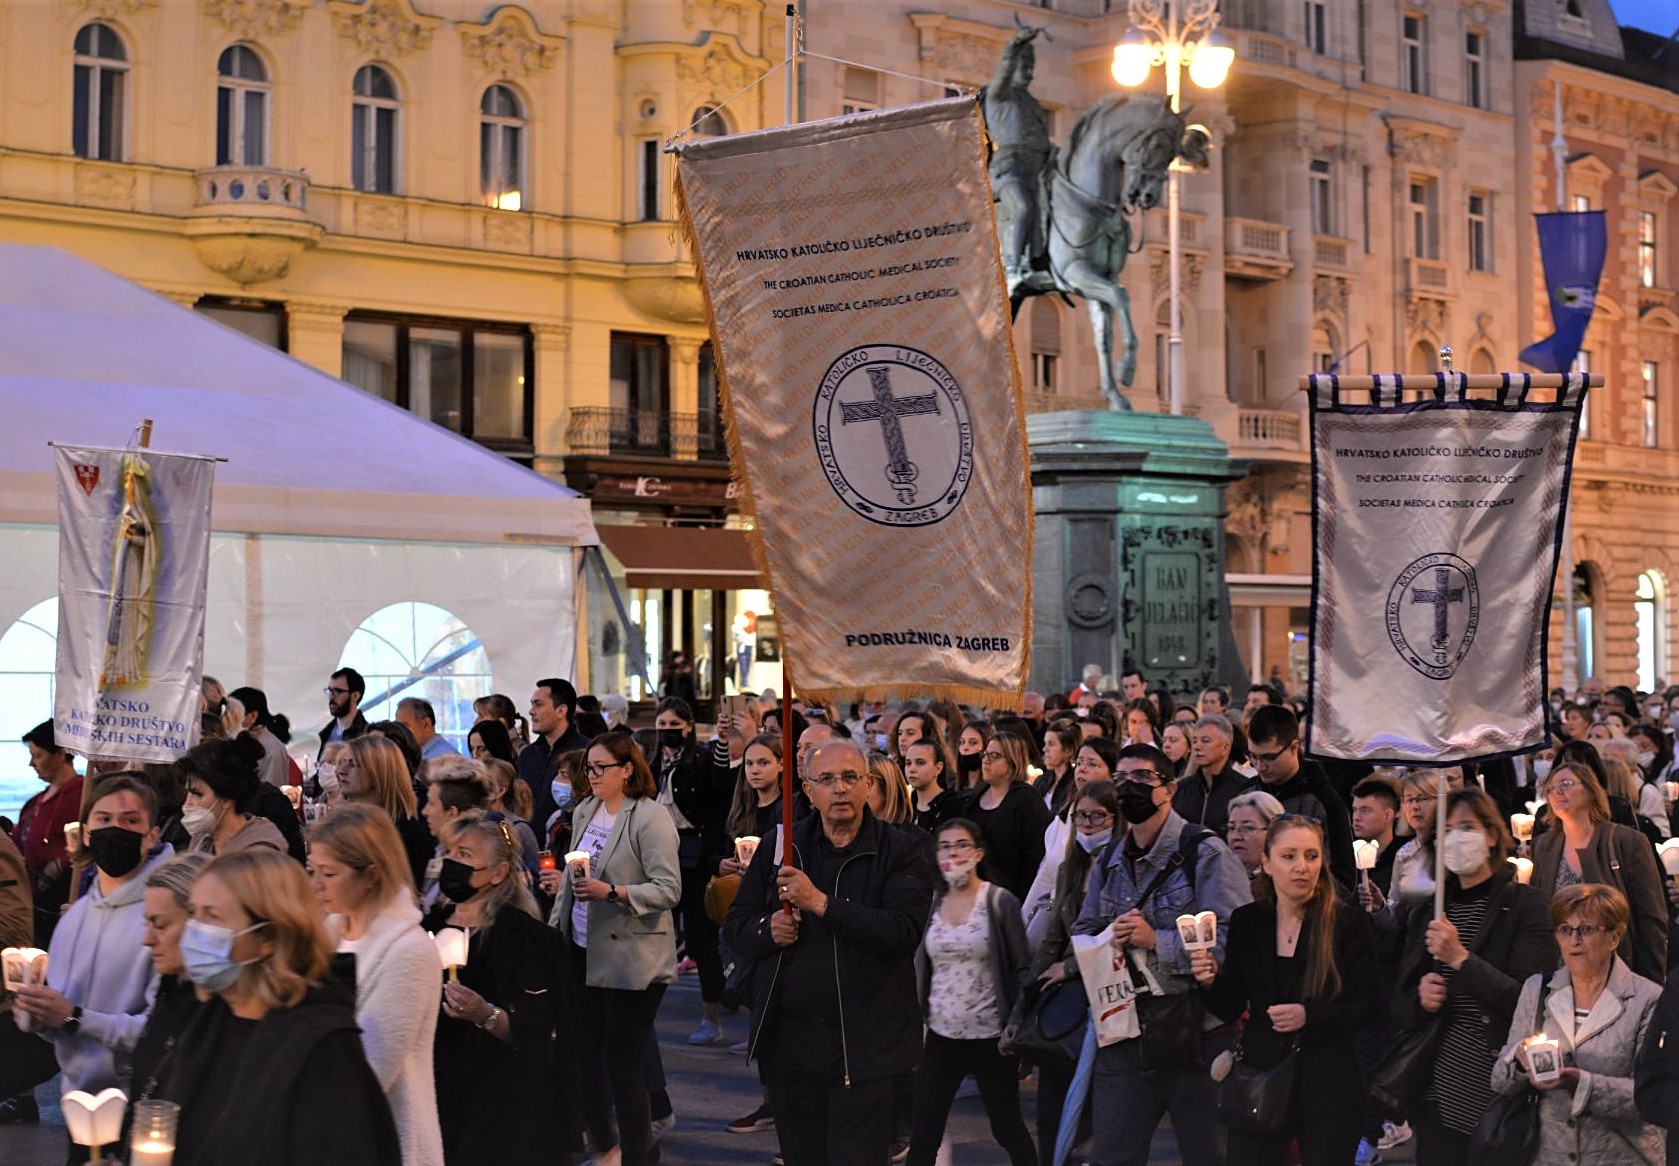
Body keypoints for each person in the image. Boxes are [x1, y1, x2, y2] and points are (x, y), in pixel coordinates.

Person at [724, 737, 936, 1165]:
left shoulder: (902, 850)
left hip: (867, 1046)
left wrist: (821, 903)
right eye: (827, 779)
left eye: (849, 778)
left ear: (868, 784)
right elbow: (738, 925)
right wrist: (771, 930)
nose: (839, 788)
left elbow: (902, 932)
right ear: (808, 789)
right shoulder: (781, 847)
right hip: (791, 1046)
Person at [159, 848, 400, 1166]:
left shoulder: (323, 1049)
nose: (194, 930)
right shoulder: (211, 1020)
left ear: (268, 937)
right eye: (194, 913)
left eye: (212, 916)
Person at [1073, 743, 1252, 1166]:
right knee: (1112, 1155)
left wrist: (1158, 940)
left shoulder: (1206, 854)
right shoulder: (1109, 860)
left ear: (1169, 789)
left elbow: (1232, 940)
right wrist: (1106, 937)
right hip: (1125, 1032)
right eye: (1120, 780)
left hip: (1195, 1033)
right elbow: (1083, 930)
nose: (1128, 787)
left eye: (1141, 778)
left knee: (1208, 1155)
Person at [1191, 815, 1379, 1166]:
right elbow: (1230, 1005)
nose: (1301, 868)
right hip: (1260, 1080)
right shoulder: (1249, 921)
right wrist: (1208, 981)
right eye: (1289, 856)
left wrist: (1310, 1015)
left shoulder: (1347, 923)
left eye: (1311, 856)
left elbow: (1370, 1006)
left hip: (1329, 1086)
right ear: (1266, 861)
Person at [1391, 788, 1558, 1166]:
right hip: (1435, 1085)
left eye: (1466, 827)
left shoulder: (1524, 906)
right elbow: (1397, 1006)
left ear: (1493, 834)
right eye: (1446, 830)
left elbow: (1530, 1000)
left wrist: (1460, 959)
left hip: (1495, 1083)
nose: (1455, 838)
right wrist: (1419, 997)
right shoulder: (1428, 912)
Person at [12, 774, 173, 1152]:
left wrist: (73, 1017)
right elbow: (65, 1016)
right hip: (81, 1108)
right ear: (85, 832)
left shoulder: (165, 914)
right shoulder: (75, 917)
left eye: (131, 821)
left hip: (144, 1108)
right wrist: (40, 1017)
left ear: (152, 835)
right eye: (103, 819)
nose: (115, 829)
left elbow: (164, 1030)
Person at [545, 731, 681, 1166]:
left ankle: (635, 1156)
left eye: (601, 767)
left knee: (624, 1069)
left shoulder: (649, 817)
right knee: (583, 1059)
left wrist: (614, 891)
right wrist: (555, 931)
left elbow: (668, 888)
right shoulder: (586, 810)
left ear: (627, 769)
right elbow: (571, 882)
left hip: (632, 959)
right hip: (583, 950)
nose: (592, 775)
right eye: (589, 767)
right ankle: (611, 1146)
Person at [431, 811, 570, 1164]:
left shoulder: (522, 938)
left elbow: (535, 1031)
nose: (452, 862)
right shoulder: (427, 927)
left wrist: (485, 1014)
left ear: (498, 872)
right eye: (450, 852)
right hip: (435, 1094)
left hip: (495, 1099)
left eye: (465, 855)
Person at [309, 805, 444, 1166]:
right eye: (313, 871)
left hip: (385, 1140)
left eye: (329, 873)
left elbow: (368, 1070)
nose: (316, 885)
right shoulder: (329, 934)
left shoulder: (408, 951)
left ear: (370, 875)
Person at [1495, 883, 1664, 1166]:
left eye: (1585, 929)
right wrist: (1521, 1062)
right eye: (1564, 929)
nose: (1573, 940)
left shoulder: (1647, 999)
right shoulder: (1538, 990)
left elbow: (1652, 1094)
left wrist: (1581, 1084)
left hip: (1622, 1157)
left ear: (1614, 936)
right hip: (1549, 1156)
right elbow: (1499, 1080)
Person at [1003, 779, 1120, 1163]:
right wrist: (1020, 1013)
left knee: (1091, 1120)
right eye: (1079, 816)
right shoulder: (1072, 866)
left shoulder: (1122, 869)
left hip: (1107, 1004)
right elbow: (1050, 942)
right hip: (1064, 1008)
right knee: (1051, 1114)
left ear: (1115, 820)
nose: (1086, 825)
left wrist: (1069, 966)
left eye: (1096, 817)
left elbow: (1116, 936)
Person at [908, 818, 1037, 1166]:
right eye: (945, 846)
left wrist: (1016, 1021)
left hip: (989, 1039)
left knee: (1006, 1127)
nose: (953, 853)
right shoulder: (931, 905)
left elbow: (1023, 968)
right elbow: (923, 967)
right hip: (940, 1038)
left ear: (978, 853)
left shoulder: (998, 903)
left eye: (962, 845)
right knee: (923, 1133)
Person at [1532, 760, 1668, 981]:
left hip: (1615, 973)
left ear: (1590, 791)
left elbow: (1651, 918)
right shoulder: (1543, 846)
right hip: (1559, 975)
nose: (1557, 791)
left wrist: (1650, 983)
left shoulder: (1627, 841)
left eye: (1565, 784)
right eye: (1550, 788)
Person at [127, 854, 210, 1132]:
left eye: (160, 925)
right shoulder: (171, 990)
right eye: (147, 924)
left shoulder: (222, 1013)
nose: (146, 940)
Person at [1242, 706, 1357, 890]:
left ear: (1294, 747)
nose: (1260, 766)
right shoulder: (1246, 795)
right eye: (1253, 757)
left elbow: (1342, 880)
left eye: (1269, 757)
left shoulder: (1326, 802)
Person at [1022, 737, 1120, 946]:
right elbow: (1045, 876)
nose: (1082, 769)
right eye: (1080, 762)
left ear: (1112, 774)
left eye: (1092, 764)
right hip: (1058, 920)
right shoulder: (1062, 820)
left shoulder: (1118, 823)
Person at [13, 721, 84, 945]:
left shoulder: (83, 794)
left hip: (63, 905)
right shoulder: (35, 802)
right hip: (32, 904)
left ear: (61, 753)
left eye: (38, 755)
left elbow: (89, 837)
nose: (32, 763)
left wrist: (60, 863)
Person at [964, 731, 1052, 900]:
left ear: (1012, 761)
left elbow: (1034, 857)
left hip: (1010, 895)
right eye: (986, 754)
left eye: (995, 756)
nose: (986, 760)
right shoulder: (973, 799)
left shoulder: (1027, 800)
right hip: (973, 897)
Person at [343, 733, 432, 892]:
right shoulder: (353, 822)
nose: (341, 771)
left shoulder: (407, 832)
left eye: (353, 764)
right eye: (344, 763)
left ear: (378, 771)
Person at [178, 737, 287, 856]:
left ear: (225, 799)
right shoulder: (200, 841)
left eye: (197, 794)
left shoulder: (260, 854)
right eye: (188, 793)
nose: (187, 803)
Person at [519, 678, 592, 847]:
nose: (531, 711)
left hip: (569, 846)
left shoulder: (586, 752)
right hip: (529, 846)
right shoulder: (527, 755)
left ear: (561, 710)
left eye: (538, 704)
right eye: (532, 704)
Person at [1173, 714, 1248, 832]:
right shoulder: (1181, 789)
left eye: (1205, 741)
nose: (1197, 746)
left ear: (1225, 747)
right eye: (1194, 741)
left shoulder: (1244, 790)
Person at [1223, 788, 1286, 897]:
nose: (1235, 837)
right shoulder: (1219, 880)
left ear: (1273, 833)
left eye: (1247, 828)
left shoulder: (1287, 885)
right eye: (1231, 828)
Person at [1350, 775, 1404, 897]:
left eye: (1365, 811)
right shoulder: (1347, 858)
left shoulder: (1403, 858)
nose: (1356, 817)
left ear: (1388, 815)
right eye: (1355, 810)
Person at [229, 686, 292, 787]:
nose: (227, 718)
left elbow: (272, 794)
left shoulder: (274, 749)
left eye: (234, 713)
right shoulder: (230, 739)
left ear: (252, 716)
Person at [905, 736, 963, 835]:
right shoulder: (905, 806)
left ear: (938, 768)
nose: (912, 769)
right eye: (908, 763)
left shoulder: (952, 805)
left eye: (920, 763)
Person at [319, 667, 370, 758]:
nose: (331, 697)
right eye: (330, 691)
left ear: (355, 696)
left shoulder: (366, 736)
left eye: (337, 691)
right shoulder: (325, 734)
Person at [1034, 721, 1080, 816]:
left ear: (1068, 750)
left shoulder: (1075, 784)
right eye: (1045, 743)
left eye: (1051, 744)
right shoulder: (1041, 780)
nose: (1044, 749)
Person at [396, 697, 460, 763]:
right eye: (398, 728)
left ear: (426, 724)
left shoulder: (447, 761)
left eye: (405, 727)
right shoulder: (418, 756)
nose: (400, 733)